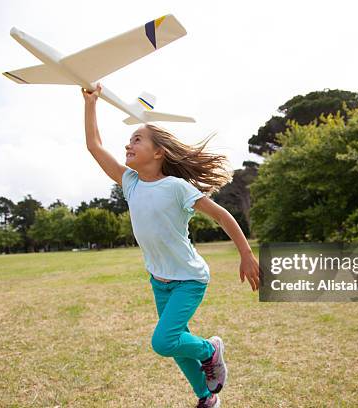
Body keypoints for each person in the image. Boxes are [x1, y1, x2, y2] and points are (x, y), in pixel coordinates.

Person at [82, 84, 260, 408]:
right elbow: (95, 146)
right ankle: (207, 398)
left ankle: (210, 350)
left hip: (188, 280)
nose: (128, 143)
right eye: (130, 138)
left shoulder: (177, 187)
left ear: (158, 152)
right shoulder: (130, 183)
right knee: (176, 345)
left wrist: (246, 255)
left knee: (164, 342)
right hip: (159, 281)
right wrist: (90, 103)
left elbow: (222, 215)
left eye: (137, 139)